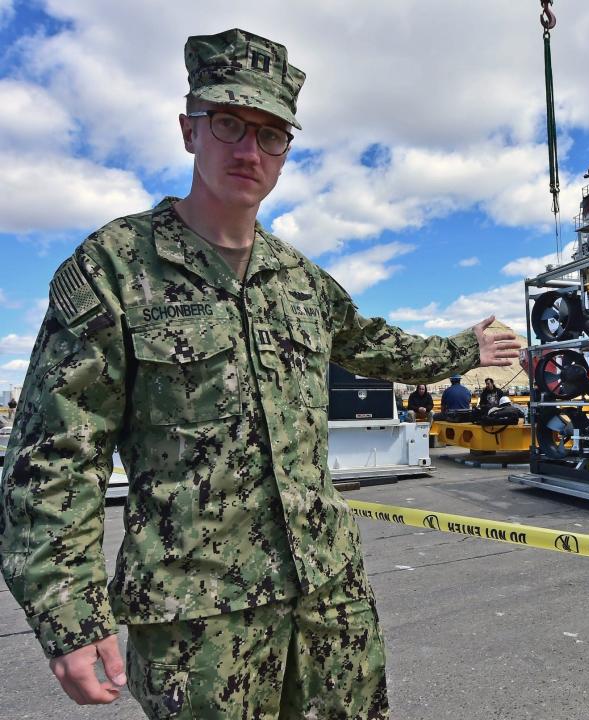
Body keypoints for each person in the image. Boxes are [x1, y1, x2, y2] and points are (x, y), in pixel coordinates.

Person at [0, 28, 520, 719]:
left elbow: (376, 344)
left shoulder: (302, 282)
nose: (249, 149)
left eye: (270, 134)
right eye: (228, 124)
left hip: (329, 602)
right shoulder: (117, 267)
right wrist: (68, 608)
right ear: (190, 131)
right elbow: (57, 451)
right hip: (200, 621)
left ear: (286, 152)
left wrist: (465, 348)